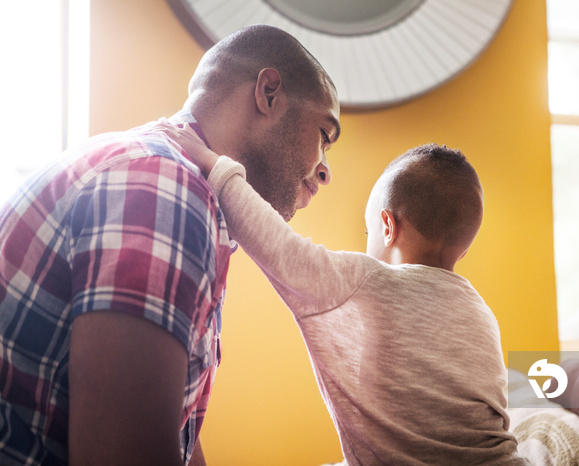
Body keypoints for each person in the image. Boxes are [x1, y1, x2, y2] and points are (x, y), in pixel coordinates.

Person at [0, 24, 339, 465]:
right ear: (269, 94)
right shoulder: (163, 187)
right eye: (324, 136)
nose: (326, 171)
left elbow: (172, 434)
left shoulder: (170, 182)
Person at [164, 124, 528, 465]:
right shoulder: (483, 314)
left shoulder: (371, 280)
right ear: (462, 251)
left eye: (369, 228)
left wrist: (214, 164)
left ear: (387, 227)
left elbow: (279, 247)